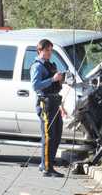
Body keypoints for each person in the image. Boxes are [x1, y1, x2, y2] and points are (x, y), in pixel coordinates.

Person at [30, 39, 65, 177]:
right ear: (40, 50)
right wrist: (52, 79)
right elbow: (35, 85)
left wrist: (60, 79)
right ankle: (47, 168)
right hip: (45, 104)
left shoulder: (50, 65)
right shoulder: (37, 66)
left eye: (51, 50)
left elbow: (55, 85)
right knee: (49, 136)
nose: (50, 53)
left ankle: (45, 163)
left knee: (57, 135)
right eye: (47, 50)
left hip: (55, 102)